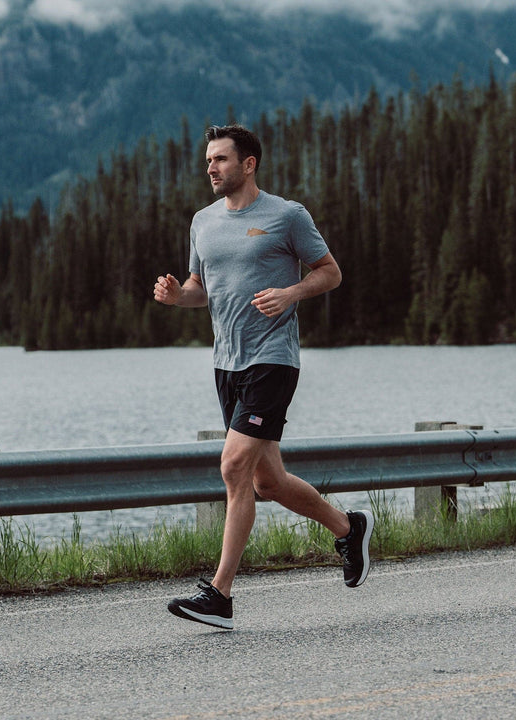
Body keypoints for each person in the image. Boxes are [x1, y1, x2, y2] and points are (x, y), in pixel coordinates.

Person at [154, 124, 374, 630]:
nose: (211, 168)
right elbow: (199, 289)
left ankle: (220, 594)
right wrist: (175, 296)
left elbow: (330, 272)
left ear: (248, 164)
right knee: (266, 480)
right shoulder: (202, 222)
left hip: (273, 359)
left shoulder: (286, 215)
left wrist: (291, 293)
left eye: (221, 160)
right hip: (226, 362)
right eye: (209, 160)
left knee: (234, 468)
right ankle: (348, 528)